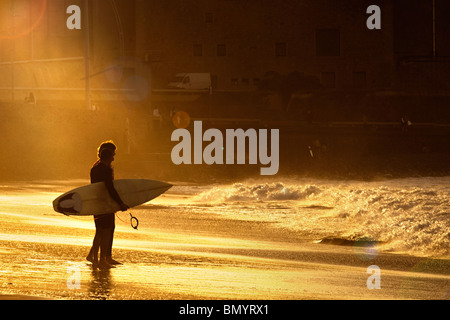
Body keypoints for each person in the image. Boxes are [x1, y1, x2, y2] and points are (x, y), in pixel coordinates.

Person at [86, 141, 129, 269]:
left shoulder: (95, 168)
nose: (115, 156)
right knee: (106, 230)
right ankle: (102, 259)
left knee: (100, 231)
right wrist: (120, 203)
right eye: (113, 153)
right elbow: (110, 188)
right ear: (109, 155)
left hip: (98, 203)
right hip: (105, 203)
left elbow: (98, 187)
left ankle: (97, 258)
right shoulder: (105, 169)